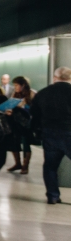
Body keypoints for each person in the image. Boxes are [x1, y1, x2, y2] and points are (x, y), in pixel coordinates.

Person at [30, 67, 71, 204]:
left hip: (50, 134)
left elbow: (34, 115)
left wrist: (37, 131)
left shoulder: (42, 93)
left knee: (50, 166)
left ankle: (53, 195)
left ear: (55, 78)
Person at [6, 76, 37, 174]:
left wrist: (23, 106)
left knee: (26, 144)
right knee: (14, 142)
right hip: (15, 122)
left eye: (16, 85)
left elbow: (35, 108)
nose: (15, 87)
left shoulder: (31, 93)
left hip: (26, 123)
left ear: (23, 85)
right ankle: (17, 163)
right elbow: (10, 105)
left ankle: (25, 166)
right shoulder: (15, 94)